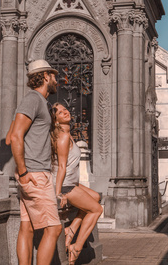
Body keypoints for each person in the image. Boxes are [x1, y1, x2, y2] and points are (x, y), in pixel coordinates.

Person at [9, 59, 62, 265]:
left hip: (32, 171)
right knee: (53, 228)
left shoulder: (39, 102)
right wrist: (23, 172)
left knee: (28, 226)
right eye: (54, 76)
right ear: (46, 76)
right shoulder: (33, 99)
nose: (57, 80)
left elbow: (11, 134)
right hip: (35, 173)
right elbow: (14, 137)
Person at [49, 103, 103, 265]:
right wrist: (58, 193)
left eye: (65, 109)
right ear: (55, 119)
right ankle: (76, 247)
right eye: (60, 112)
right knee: (96, 210)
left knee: (95, 196)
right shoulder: (63, 137)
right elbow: (62, 166)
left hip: (71, 182)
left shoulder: (67, 134)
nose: (65, 112)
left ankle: (70, 230)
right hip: (64, 184)